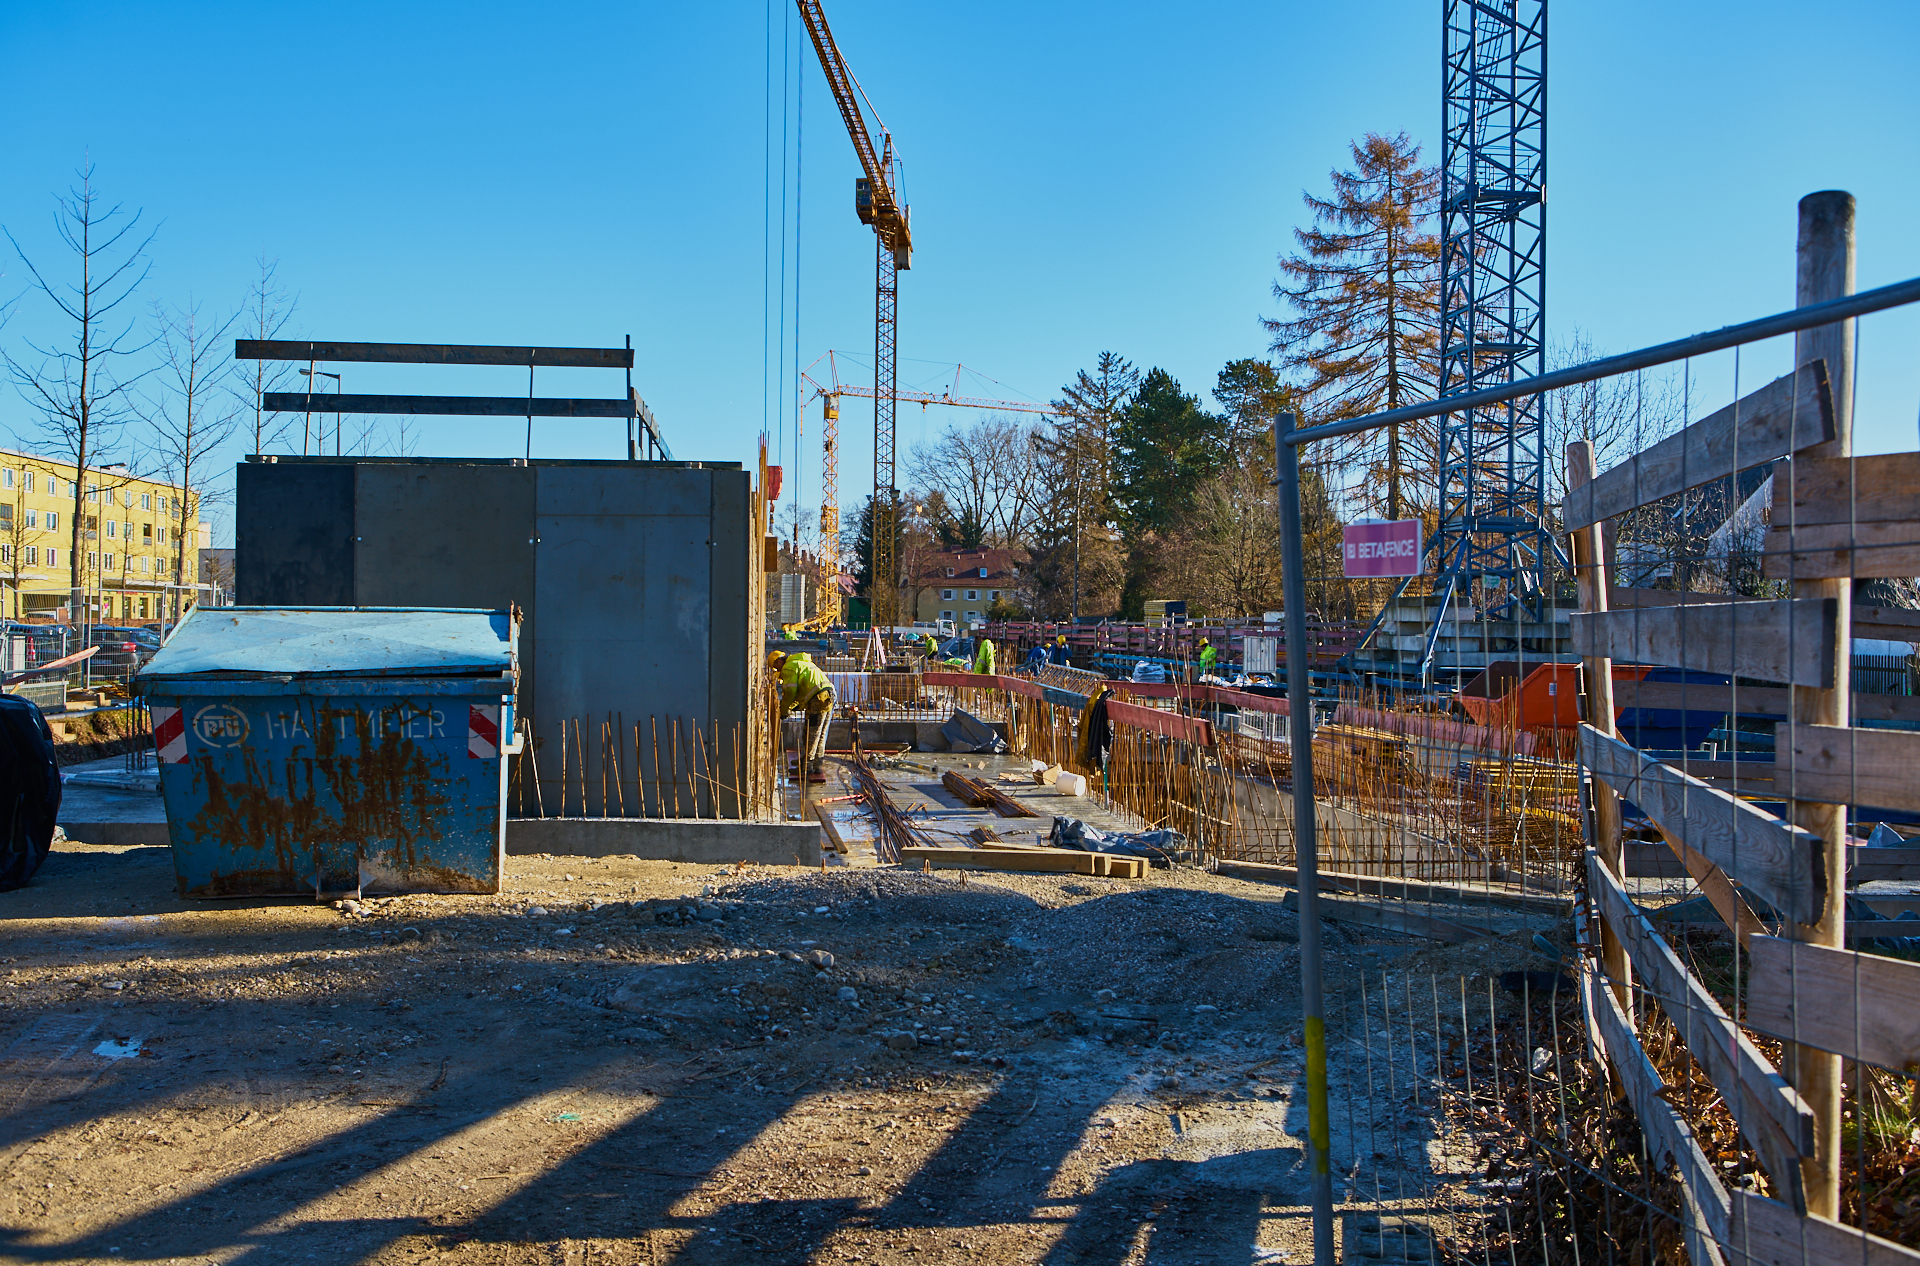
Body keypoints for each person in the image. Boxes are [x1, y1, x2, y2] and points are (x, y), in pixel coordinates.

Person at [768, 649, 834, 783]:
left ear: (779, 661)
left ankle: (807, 767)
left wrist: (783, 710)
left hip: (818, 699)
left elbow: (790, 692)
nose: (779, 672)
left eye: (776, 667)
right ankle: (816, 765)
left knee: (812, 734)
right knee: (820, 734)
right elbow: (799, 694)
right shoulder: (799, 663)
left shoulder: (789, 667)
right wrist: (791, 708)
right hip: (828, 695)